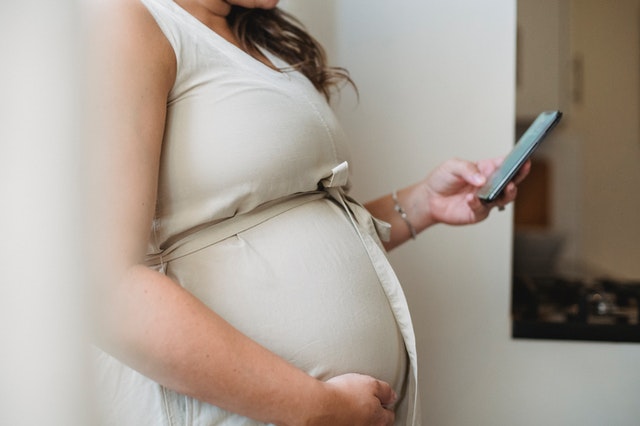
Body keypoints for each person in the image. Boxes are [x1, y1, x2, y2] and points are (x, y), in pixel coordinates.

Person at [88, 0, 528, 425]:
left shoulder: (253, 36)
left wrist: (424, 203)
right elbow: (106, 291)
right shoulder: (131, 22)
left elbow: (302, 223)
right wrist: (313, 406)